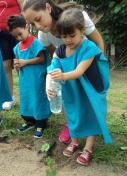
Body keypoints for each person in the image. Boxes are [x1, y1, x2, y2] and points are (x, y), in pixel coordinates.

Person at [22, 0, 105, 143]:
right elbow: (57, 57)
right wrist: (54, 80)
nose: (38, 27)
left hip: (87, 64)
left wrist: (99, 68)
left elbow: (98, 43)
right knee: (67, 97)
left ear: (48, 7)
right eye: (33, 24)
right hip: (67, 71)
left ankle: (95, 126)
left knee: (89, 99)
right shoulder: (44, 36)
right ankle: (70, 125)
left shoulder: (79, 17)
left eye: (38, 19)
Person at [46, 8, 112, 165]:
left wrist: (62, 76)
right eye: (64, 36)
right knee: (72, 114)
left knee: (91, 114)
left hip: (89, 89)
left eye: (72, 35)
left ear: (82, 30)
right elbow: (52, 68)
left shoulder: (89, 48)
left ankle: (88, 148)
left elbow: (79, 71)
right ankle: (74, 142)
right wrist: (48, 86)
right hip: (72, 90)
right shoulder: (60, 50)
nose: (68, 40)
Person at [7, 15, 51, 138]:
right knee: (27, 99)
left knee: (38, 99)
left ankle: (41, 123)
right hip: (25, 80)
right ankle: (29, 121)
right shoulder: (17, 47)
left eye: (20, 34)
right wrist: (17, 65)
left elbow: (42, 58)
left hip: (37, 79)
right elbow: (17, 61)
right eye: (15, 36)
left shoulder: (36, 42)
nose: (18, 38)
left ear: (26, 26)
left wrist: (25, 62)